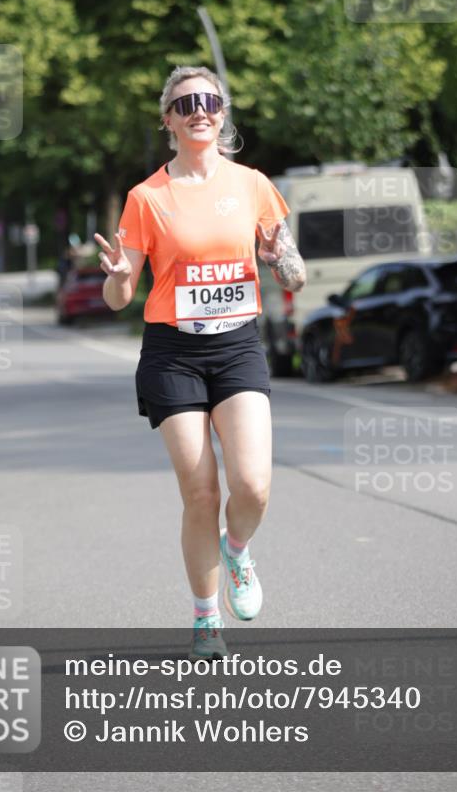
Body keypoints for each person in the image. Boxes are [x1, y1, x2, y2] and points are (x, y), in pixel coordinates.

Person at [94, 66, 306, 659]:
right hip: (173, 353)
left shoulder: (253, 185)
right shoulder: (146, 198)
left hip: (237, 345)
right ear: (168, 119)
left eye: (209, 100)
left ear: (223, 112)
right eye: (185, 103)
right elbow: (119, 299)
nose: (199, 110)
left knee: (253, 487)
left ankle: (236, 550)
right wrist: (116, 279)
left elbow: (297, 274)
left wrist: (278, 260)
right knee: (201, 494)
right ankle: (206, 620)